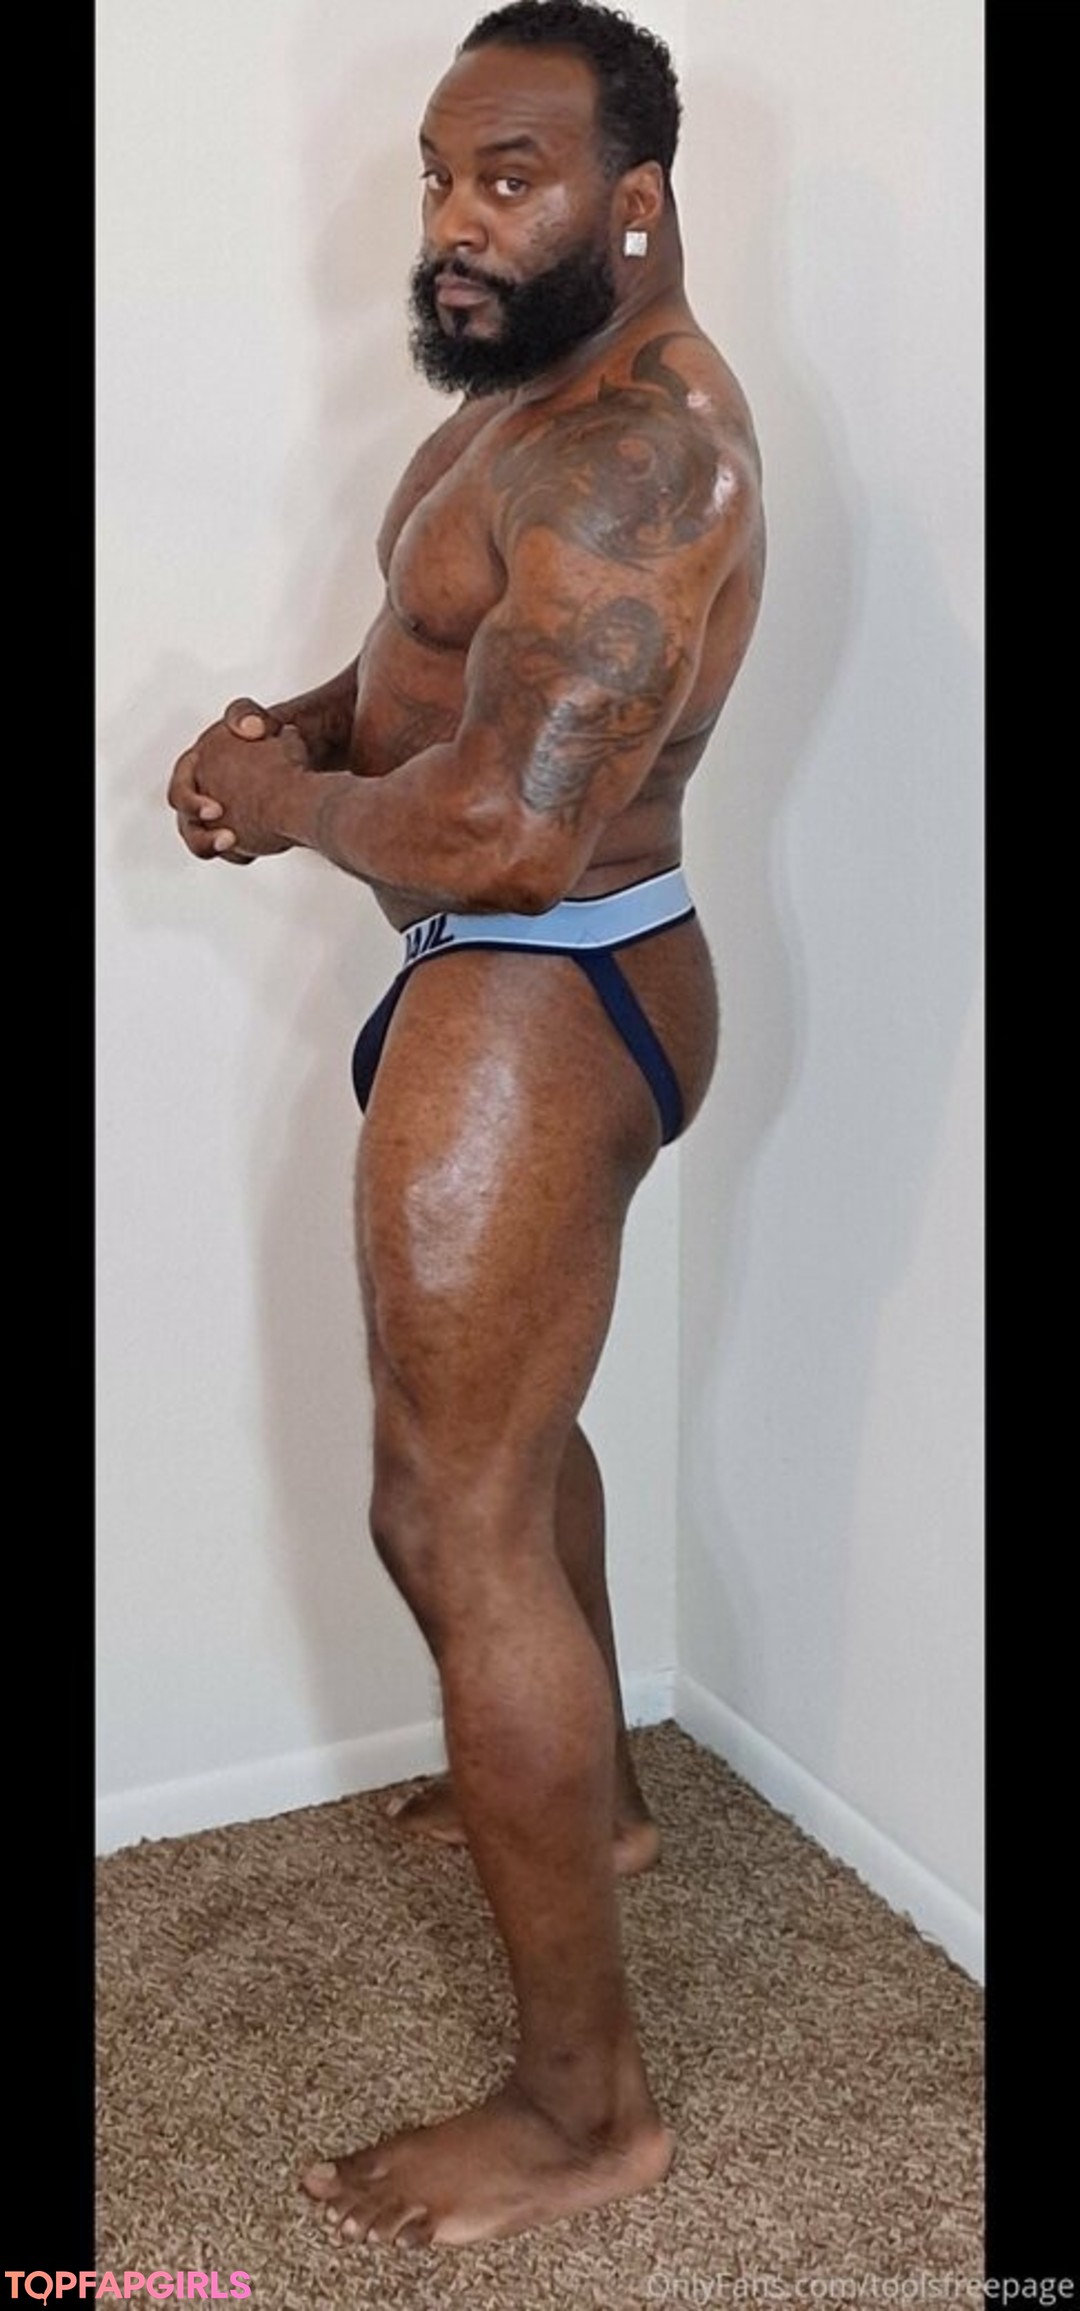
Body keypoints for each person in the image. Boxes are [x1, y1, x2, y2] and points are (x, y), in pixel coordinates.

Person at [167, 0, 765, 2250]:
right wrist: (301, 729)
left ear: (636, 196)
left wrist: (289, 805)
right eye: (438, 174)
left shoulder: (643, 458)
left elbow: (513, 828)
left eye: (509, 177)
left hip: (544, 979)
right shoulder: (525, 403)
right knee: (515, 1443)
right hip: (516, 977)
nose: (454, 221)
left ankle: (584, 2111)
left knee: (447, 1512)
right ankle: (590, 1801)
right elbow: (437, 668)